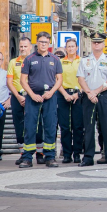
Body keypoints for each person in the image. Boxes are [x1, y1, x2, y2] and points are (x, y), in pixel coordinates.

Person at [20, 32, 63, 168]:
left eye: (45, 42)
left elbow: (59, 79)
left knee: (50, 126)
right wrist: (32, 95)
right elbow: (23, 80)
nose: (43, 44)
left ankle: (50, 157)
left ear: (49, 43)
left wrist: (51, 92)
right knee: (30, 127)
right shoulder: (29, 59)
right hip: (33, 96)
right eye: (41, 42)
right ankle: (27, 158)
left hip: (49, 96)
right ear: (36, 43)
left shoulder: (55, 59)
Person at [77, 33, 107, 167]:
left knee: (106, 127)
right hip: (88, 96)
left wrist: (96, 91)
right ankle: (88, 158)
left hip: (103, 96)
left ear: (103, 44)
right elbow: (81, 78)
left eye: (99, 42)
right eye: (94, 42)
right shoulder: (84, 60)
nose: (96, 44)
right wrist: (89, 92)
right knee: (88, 128)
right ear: (91, 44)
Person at [7, 37, 36, 165]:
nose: (23, 49)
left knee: (32, 125)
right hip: (17, 96)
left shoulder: (35, 60)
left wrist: (29, 95)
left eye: (25, 46)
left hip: (31, 96)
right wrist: (18, 97)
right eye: (21, 46)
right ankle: (23, 154)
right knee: (19, 125)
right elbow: (9, 82)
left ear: (30, 47)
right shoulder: (13, 62)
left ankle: (37, 153)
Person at [56, 39, 83, 164]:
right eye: (68, 47)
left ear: (77, 47)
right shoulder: (60, 62)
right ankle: (67, 154)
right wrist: (65, 94)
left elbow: (86, 79)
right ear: (66, 48)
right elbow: (57, 80)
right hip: (63, 94)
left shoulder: (82, 61)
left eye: (73, 46)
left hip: (79, 94)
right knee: (65, 127)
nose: (71, 48)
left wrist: (78, 93)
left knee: (77, 126)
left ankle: (77, 153)